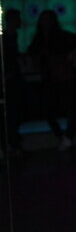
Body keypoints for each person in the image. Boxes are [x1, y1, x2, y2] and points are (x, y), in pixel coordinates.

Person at [27, 9, 76, 150]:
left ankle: (67, 137)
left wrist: (72, 54)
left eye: (48, 20)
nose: (46, 23)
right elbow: (31, 52)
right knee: (49, 110)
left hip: (65, 75)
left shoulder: (61, 36)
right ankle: (63, 136)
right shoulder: (39, 39)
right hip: (50, 77)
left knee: (70, 108)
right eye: (43, 19)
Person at [1, 9, 25, 156]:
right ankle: (11, 144)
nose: (19, 22)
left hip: (13, 78)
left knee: (15, 111)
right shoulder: (5, 37)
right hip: (9, 79)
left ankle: (12, 143)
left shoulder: (12, 36)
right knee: (12, 112)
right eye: (17, 19)